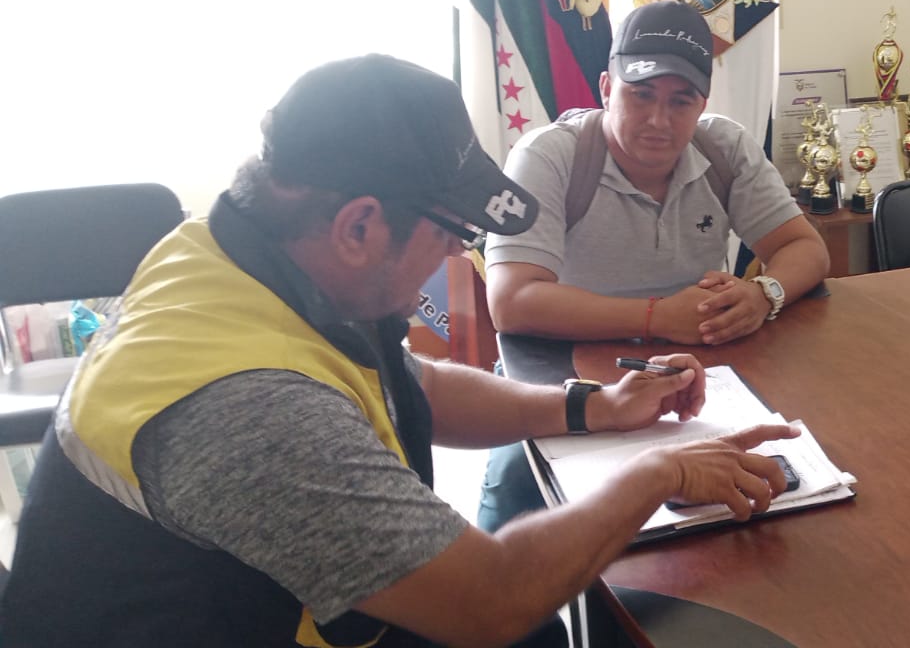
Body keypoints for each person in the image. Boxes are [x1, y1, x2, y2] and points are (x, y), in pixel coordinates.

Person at [0, 54, 799, 647]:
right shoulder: (255, 412)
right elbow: (490, 600)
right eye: (452, 233)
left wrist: (594, 406)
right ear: (359, 226)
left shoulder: (230, 248)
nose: (458, 255)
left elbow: (411, 383)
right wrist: (658, 472)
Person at [477, 1, 828, 532]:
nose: (659, 120)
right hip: (563, 369)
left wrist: (764, 294)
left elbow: (806, 248)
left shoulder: (724, 147)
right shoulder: (549, 156)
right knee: (514, 501)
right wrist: (657, 316)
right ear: (605, 88)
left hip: (700, 371)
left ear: (702, 102)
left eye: (680, 101)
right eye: (640, 94)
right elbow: (511, 302)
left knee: (768, 499)